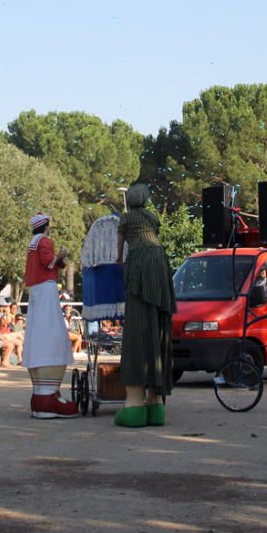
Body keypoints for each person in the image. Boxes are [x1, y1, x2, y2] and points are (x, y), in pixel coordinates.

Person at [114, 183, 175, 427]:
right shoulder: (152, 216)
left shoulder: (126, 217)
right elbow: (154, 234)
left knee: (138, 327)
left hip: (139, 262)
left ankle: (135, 405)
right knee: (160, 324)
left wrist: (119, 261)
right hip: (160, 262)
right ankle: (156, 403)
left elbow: (120, 244)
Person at [22, 213, 78, 419]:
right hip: (45, 288)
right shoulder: (44, 241)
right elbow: (48, 263)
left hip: (36, 289)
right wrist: (61, 253)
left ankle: (40, 394)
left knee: (39, 332)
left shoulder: (32, 242)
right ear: (46, 226)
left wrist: (59, 259)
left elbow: (52, 263)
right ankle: (49, 395)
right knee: (51, 331)